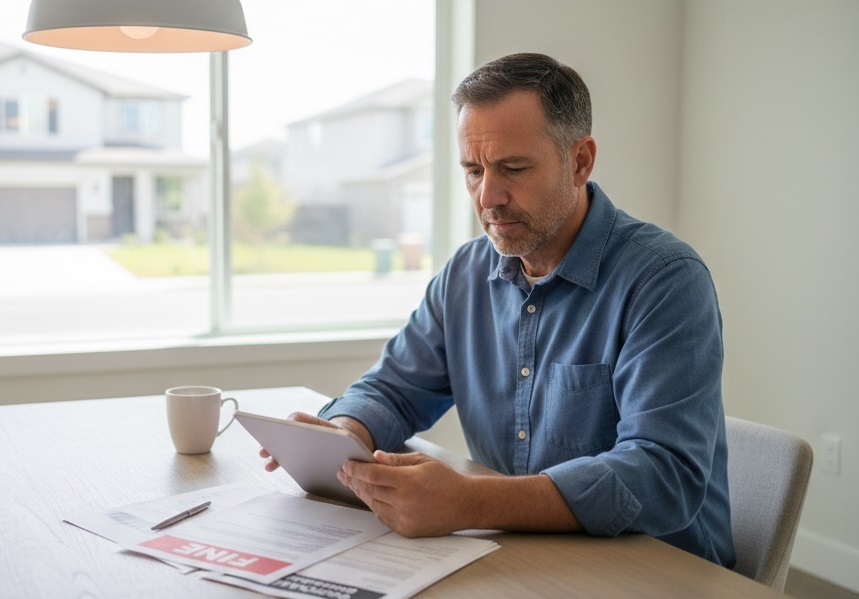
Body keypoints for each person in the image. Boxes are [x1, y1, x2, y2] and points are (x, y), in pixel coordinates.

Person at [261, 52, 736, 567]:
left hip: (659, 570)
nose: (488, 195)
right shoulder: (467, 272)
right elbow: (394, 389)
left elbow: (663, 475)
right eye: (472, 170)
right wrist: (346, 433)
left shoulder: (665, 280)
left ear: (580, 161)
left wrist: (469, 501)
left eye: (513, 168)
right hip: (525, 555)